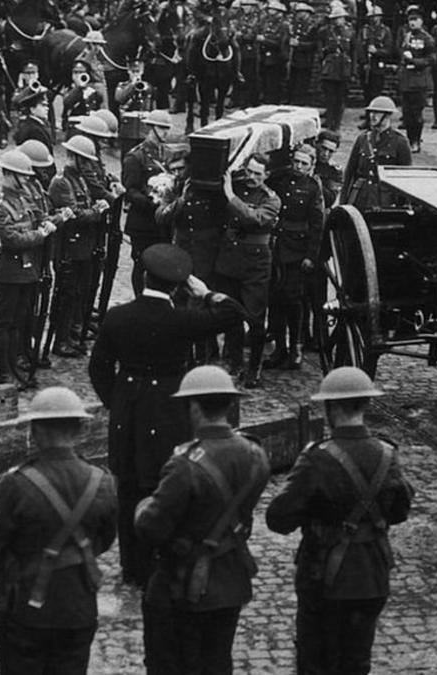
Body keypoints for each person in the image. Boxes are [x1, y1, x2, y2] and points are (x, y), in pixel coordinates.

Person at [89, 243, 247, 588]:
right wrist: (207, 294)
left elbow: (98, 368)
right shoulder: (183, 320)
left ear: (144, 277)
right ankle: (162, 560)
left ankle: (132, 567)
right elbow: (235, 314)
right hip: (169, 409)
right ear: (177, 287)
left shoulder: (117, 317)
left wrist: (117, 401)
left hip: (128, 409)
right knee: (166, 482)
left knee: (128, 484)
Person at [267, 366, 415, 675]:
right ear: (366, 404)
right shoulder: (387, 454)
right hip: (372, 577)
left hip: (324, 578)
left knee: (315, 663)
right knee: (356, 663)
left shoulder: (317, 458)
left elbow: (278, 518)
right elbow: (400, 510)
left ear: (331, 408)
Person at [0, 386, 117, 675]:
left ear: (35, 432)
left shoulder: (16, 484)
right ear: (79, 430)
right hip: (78, 608)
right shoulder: (102, 481)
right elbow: (103, 541)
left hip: (25, 610)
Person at [135, 365, 270, 674]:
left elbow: (150, 528)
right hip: (230, 580)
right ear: (230, 404)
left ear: (194, 408)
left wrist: (142, 506)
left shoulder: (184, 464)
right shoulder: (256, 455)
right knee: (217, 662)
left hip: (180, 586)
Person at [0, 150, 66, 389]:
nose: (26, 179)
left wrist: (48, 223)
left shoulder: (23, 199)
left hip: (27, 268)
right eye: (22, 176)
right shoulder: (0, 205)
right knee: (5, 322)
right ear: (9, 175)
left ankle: (14, 367)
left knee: (19, 319)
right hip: (10, 271)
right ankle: (5, 372)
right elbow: (11, 238)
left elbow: (35, 220)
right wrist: (40, 234)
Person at [213, 154, 281, 387]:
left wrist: (230, 194)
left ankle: (254, 367)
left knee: (255, 318)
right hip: (230, 259)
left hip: (255, 264)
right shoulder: (236, 185)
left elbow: (254, 219)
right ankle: (235, 363)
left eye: (257, 174)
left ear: (267, 175)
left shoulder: (272, 199)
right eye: (249, 171)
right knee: (231, 314)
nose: (251, 177)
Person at [48, 135, 111, 359]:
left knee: (77, 293)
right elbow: (74, 214)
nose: (87, 165)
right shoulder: (62, 182)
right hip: (69, 247)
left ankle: (71, 334)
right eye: (83, 160)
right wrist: (97, 211)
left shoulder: (79, 179)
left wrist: (94, 209)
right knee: (65, 295)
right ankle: (60, 339)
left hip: (83, 246)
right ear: (72, 157)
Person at [264, 145, 324, 371]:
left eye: (304, 163)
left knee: (294, 300)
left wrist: (311, 256)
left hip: (298, 251)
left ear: (311, 166)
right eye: (296, 161)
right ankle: (279, 348)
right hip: (276, 247)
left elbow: (317, 224)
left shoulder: (312, 188)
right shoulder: (280, 180)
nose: (298, 166)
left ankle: (296, 348)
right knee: (275, 299)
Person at [122, 110, 174, 297]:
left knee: (160, 265)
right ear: (151, 128)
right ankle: (140, 299)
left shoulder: (167, 154)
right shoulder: (136, 157)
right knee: (142, 264)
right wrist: (152, 202)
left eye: (167, 128)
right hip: (143, 223)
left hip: (163, 222)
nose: (165, 132)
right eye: (162, 128)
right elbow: (130, 190)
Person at [342, 95, 412, 209]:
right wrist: (343, 201)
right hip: (361, 199)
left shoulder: (400, 142)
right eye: (371, 112)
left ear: (388, 115)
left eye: (378, 112)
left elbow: (406, 178)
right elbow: (350, 172)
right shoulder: (363, 139)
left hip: (385, 201)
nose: (372, 116)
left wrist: (405, 205)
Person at [397, 5, 436, 153]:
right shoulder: (405, 37)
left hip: (419, 80)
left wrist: (414, 61)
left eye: (415, 19)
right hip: (407, 80)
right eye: (410, 20)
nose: (412, 23)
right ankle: (409, 139)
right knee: (407, 114)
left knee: (417, 114)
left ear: (421, 21)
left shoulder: (427, 39)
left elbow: (431, 59)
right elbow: (399, 52)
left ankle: (416, 140)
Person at [318, 4, 354, 131]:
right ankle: (329, 122)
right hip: (330, 68)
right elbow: (320, 50)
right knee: (330, 97)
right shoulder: (325, 31)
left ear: (344, 19)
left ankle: (337, 124)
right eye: (335, 18)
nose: (338, 21)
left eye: (340, 18)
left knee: (340, 98)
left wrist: (353, 71)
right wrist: (324, 55)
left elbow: (354, 52)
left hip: (344, 68)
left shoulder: (350, 32)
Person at [356, 6, 394, 128]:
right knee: (366, 94)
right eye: (372, 17)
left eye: (376, 16)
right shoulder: (364, 30)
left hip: (378, 66)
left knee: (376, 94)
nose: (374, 19)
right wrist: (363, 62)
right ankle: (368, 119)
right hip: (366, 67)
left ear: (380, 17)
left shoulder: (385, 31)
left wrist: (377, 52)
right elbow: (359, 48)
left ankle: (376, 120)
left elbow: (389, 49)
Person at [115, 58, 153, 157]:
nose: (136, 74)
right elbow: (119, 98)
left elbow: (151, 105)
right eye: (133, 71)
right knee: (127, 156)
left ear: (142, 71)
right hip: (128, 129)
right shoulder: (122, 86)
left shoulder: (148, 86)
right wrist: (132, 85)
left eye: (138, 71)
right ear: (128, 71)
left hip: (143, 129)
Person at [257, 0, 291, 104]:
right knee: (265, 80)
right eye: (270, 9)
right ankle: (266, 99)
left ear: (279, 12)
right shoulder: (267, 22)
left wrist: (264, 40)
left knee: (274, 81)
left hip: (276, 57)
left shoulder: (284, 25)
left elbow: (280, 43)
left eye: (273, 10)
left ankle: (273, 101)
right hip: (265, 56)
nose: (270, 12)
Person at [61, 60, 105, 134]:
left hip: (91, 126)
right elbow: (67, 103)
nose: (78, 75)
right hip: (74, 127)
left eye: (81, 72)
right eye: (75, 72)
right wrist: (78, 88)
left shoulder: (94, 89)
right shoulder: (69, 90)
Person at [288, 3, 318, 106]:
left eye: (302, 12)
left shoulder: (312, 27)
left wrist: (299, 44)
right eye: (298, 12)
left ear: (308, 14)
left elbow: (314, 44)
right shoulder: (295, 26)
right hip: (294, 58)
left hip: (306, 58)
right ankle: (293, 100)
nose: (300, 15)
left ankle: (301, 102)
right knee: (293, 81)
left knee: (303, 82)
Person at [314, 129, 344, 208]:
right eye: (323, 148)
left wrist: (314, 181)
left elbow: (329, 200)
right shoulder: (303, 161)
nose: (326, 154)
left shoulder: (334, 171)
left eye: (331, 151)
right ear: (316, 144)